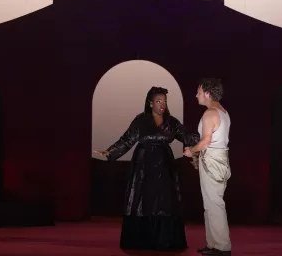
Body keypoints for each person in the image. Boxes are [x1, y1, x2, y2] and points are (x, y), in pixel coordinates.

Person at [94, 86, 199, 250]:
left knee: (165, 200)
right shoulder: (141, 120)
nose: (162, 105)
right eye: (158, 101)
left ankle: (164, 240)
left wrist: (205, 135)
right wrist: (109, 152)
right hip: (143, 165)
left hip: (164, 164)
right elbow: (127, 140)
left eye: (164, 101)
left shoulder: (171, 122)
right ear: (151, 103)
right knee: (143, 199)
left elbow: (187, 136)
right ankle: (142, 240)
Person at [183, 78, 232, 256]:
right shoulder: (223, 112)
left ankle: (222, 247)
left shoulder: (210, 113)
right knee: (211, 203)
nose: (196, 96)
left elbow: (205, 142)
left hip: (212, 160)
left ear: (207, 93)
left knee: (214, 204)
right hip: (218, 160)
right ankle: (213, 244)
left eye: (198, 92)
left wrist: (191, 151)